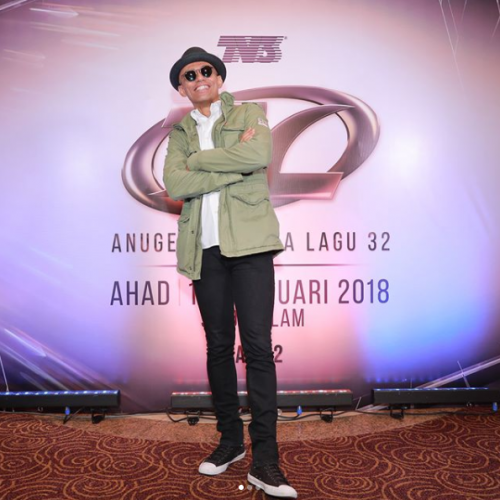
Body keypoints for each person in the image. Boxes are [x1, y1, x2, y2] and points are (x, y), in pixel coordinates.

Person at [163, 47, 298, 499]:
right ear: (182, 88)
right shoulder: (180, 132)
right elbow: (175, 183)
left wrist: (200, 162)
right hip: (204, 250)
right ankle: (230, 442)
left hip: (251, 246)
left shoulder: (248, 114)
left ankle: (266, 460)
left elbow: (258, 154)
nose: (199, 77)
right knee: (218, 347)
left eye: (206, 70)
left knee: (257, 348)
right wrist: (232, 165)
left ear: (218, 78)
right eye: (189, 75)